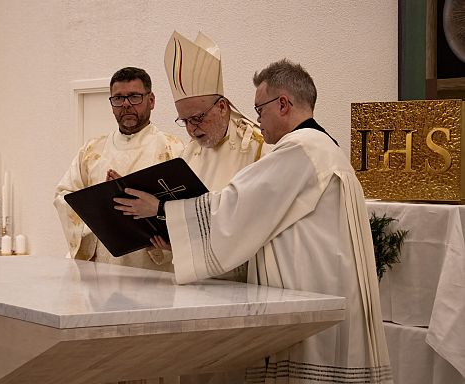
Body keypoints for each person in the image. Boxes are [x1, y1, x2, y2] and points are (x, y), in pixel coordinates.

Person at [114, 58, 393, 383]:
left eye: (260, 110)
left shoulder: (299, 150)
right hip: (324, 288)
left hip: (310, 296)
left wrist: (161, 210)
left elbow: (237, 207)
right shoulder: (324, 147)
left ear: (284, 104)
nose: (257, 121)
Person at [54, 66, 184, 272]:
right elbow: (64, 195)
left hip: (151, 267)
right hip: (102, 267)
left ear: (151, 101)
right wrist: (101, 205)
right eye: (118, 98)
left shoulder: (173, 150)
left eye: (134, 97)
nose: (126, 105)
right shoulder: (91, 150)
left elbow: (189, 206)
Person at [165, 31, 269, 285]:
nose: (191, 129)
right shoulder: (189, 152)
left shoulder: (257, 147)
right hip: (194, 279)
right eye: (185, 121)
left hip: (238, 281)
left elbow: (250, 221)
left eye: (198, 118)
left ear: (222, 107)